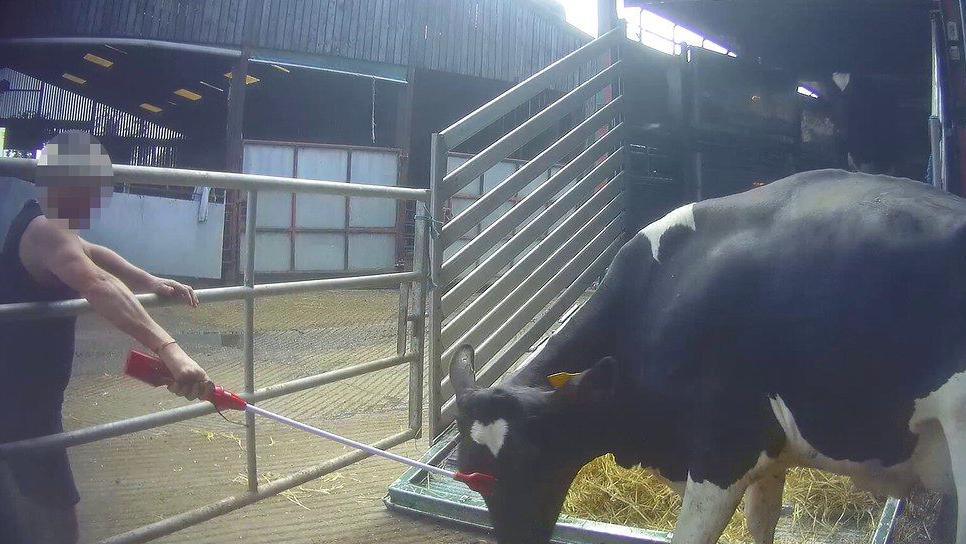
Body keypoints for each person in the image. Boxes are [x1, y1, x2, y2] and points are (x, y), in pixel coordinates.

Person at [0, 132, 211, 544]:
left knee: (25, 498)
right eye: (94, 185)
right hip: (21, 396)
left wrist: (148, 280)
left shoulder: (49, 223)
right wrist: (170, 349)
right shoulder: (46, 230)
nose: (101, 196)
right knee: (56, 512)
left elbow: (94, 253)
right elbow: (97, 283)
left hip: (28, 391)